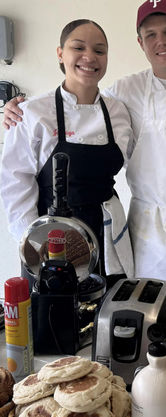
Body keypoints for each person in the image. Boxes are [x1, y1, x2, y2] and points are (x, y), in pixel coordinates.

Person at [2, 0, 166, 309]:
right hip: (149, 232)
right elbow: (77, 99)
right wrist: (18, 108)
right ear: (140, 42)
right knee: (151, 317)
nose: (162, 41)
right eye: (151, 35)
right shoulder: (125, 92)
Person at [0, 19, 134, 288]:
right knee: (52, 321)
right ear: (60, 54)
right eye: (78, 47)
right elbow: (15, 183)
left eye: (99, 50)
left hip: (107, 234)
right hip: (51, 240)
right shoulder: (33, 113)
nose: (89, 57)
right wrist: (35, 244)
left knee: (108, 317)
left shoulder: (119, 112)